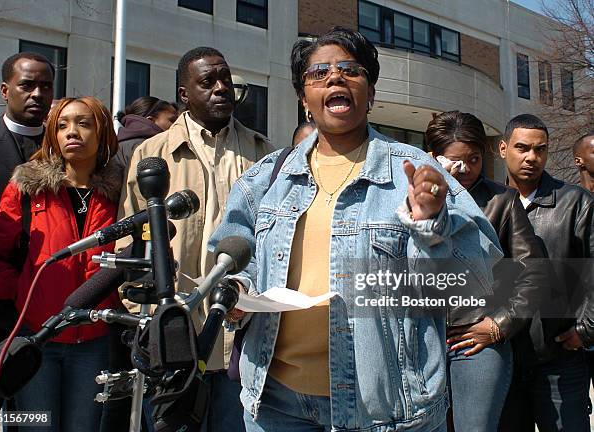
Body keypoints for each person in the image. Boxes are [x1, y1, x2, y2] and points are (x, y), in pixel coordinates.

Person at [209, 27, 502, 432]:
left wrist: (430, 224)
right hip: (275, 404)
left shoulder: (417, 174)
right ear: (303, 98)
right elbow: (235, 253)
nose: (335, 77)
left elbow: (475, 281)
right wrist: (240, 291)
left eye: (350, 69)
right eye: (319, 73)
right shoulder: (268, 177)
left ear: (371, 92)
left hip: (386, 411)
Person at [117, 47, 273, 431]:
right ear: (184, 94)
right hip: (174, 337)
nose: (221, 88)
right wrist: (148, 318)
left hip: (241, 338)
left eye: (226, 80)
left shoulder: (264, 154)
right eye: (208, 82)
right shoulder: (151, 155)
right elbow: (130, 244)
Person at [0, 96, 122, 432]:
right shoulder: (28, 188)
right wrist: (23, 289)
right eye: (62, 125)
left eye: (84, 123)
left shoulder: (121, 192)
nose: (72, 132)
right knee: (37, 427)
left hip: (95, 342)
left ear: (102, 132)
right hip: (37, 339)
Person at [426, 111, 548, 431]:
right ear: (431, 157)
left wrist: (499, 324)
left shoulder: (502, 201)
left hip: (477, 343)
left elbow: (534, 273)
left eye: (474, 159)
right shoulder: (407, 198)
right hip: (422, 340)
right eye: (453, 160)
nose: (464, 169)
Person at [497, 114, 593, 432]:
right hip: (504, 359)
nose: (531, 157)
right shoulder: (489, 204)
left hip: (561, 360)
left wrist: (586, 330)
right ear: (502, 149)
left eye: (540, 150)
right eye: (522, 148)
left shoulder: (577, 203)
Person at [0, 51, 54, 424]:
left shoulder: (67, 151)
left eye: (45, 86)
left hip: (47, 306)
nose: (37, 94)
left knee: (35, 415)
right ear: (5, 89)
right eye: (27, 85)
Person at [114, 96, 178, 170]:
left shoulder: (116, 148)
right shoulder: (152, 147)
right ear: (150, 121)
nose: (177, 124)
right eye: (172, 120)